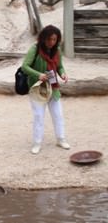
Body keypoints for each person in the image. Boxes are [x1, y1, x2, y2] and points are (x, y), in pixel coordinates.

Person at [22, 25, 70, 155]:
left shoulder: (57, 50)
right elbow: (24, 66)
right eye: (49, 39)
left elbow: (59, 66)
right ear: (43, 38)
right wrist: (38, 75)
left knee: (58, 114)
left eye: (54, 39)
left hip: (53, 88)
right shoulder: (35, 49)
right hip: (38, 88)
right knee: (39, 116)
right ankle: (37, 143)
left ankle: (61, 139)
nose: (51, 42)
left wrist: (63, 74)